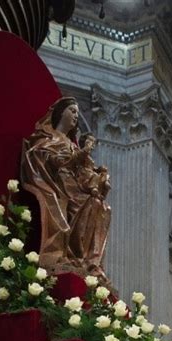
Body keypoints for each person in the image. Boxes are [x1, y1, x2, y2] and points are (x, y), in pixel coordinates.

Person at [21, 97, 111, 278]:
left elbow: (85, 168)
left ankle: (90, 262)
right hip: (59, 184)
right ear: (60, 112)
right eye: (72, 111)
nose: (76, 116)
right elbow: (45, 157)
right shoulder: (49, 137)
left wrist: (100, 177)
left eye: (77, 112)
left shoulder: (72, 144)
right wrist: (80, 154)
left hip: (77, 184)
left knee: (102, 207)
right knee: (85, 202)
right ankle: (72, 253)